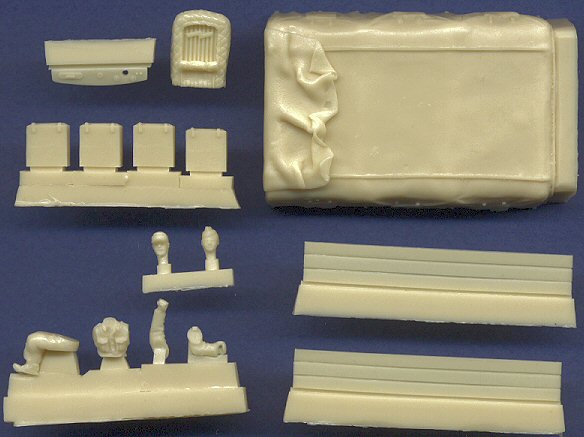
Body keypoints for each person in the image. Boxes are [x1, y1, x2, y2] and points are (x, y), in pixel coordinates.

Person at [13, 331, 79, 376]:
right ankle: (31, 365)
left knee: (33, 341)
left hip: (69, 344)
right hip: (69, 342)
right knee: (32, 338)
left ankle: (32, 366)